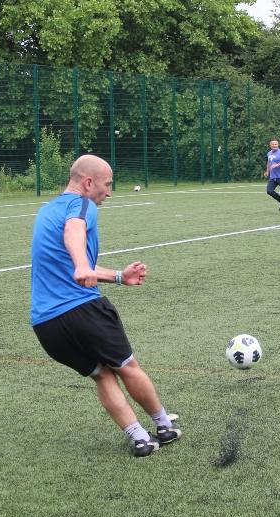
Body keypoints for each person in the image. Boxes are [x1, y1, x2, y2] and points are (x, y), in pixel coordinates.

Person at [30, 154, 182, 458]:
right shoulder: (82, 204)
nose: (108, 192)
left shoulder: (46, 212)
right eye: (107, 184)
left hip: (46, 325)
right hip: (84, 310)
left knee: (102, 374)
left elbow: (72, 262)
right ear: (88, 182)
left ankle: (139, 438)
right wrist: (81, 265)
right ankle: (163, 426)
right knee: (127, 367)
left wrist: (117, 276)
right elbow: (74, 231)